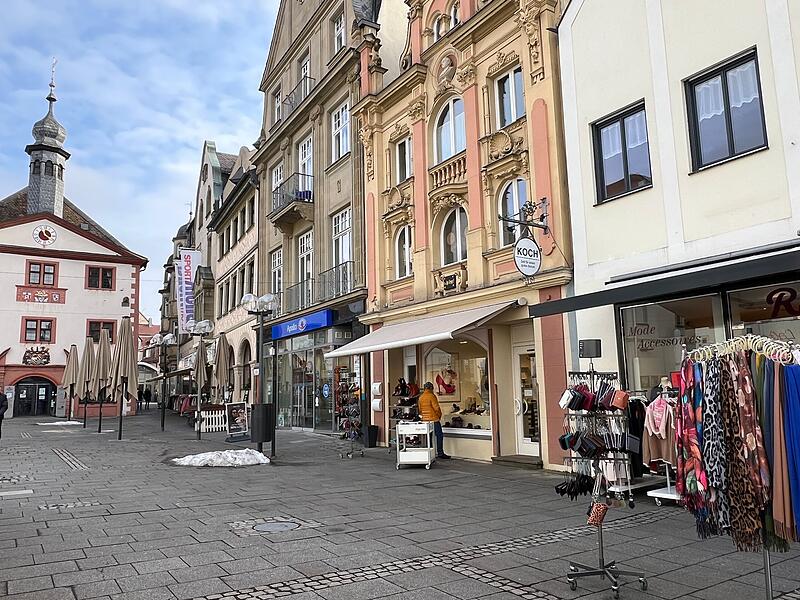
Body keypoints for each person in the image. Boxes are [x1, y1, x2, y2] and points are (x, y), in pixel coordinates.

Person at [418, 382, 450, 459]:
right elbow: (437, 408)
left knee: (429, 436)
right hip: (433, 419)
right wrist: (439, 416)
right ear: (431, 388)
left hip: (425, 420)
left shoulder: (421, 397)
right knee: (439, 435)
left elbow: (420, 409)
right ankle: (440, 453)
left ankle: (430, 453)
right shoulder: (432, 396)